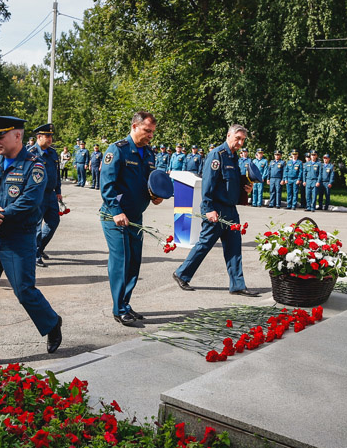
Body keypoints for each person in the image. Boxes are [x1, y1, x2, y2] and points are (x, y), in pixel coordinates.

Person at [0, 115, 63, 369]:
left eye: (0, 136)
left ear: (17, 136)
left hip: (18, 239)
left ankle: (52, 322)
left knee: (24, 291)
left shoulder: (34, 166)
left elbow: (30, 201)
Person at [173, 124, 259, 297]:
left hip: (230, 210)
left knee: (234, 247)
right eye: (238, 139)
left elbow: (229, 183)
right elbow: (208, 184)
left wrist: (245, 189)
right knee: (205, 244)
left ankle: (237, 285)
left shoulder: (234, 157)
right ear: (229, 135)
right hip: (216, 210)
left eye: (243, 140)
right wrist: (208, 209)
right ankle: (182, 274)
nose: (240, 143)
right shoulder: (216, 155)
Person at [99, 111, 162, 326]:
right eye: (147, 131)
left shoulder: (150, 154)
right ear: (134, 126)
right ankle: (118, 309)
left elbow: (148, 183)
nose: (150, 136)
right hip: (114, 216)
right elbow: (106, 185)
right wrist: (116, 211)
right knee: (121, 261)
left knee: (134, 261)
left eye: (152, 132)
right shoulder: (117, 150)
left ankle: (125, 303)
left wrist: (154, 196)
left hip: (135, 217)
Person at [28, 123, 62, 267]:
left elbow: (57, 174)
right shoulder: (31, 152)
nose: (50, 139)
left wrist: (58, 191)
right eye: (47, 136)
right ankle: (34, 255)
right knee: (36, 225)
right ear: (39, 137)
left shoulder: (53, 153)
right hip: (37, 194)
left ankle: (39, 248)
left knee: (53, 222)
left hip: (51, 194)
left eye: (51, 136)